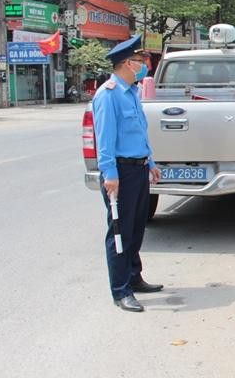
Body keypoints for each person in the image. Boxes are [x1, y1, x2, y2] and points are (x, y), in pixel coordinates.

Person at [92, 35, 163, 313]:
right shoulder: (108, 95)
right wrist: (110, 174)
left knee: (136, 228)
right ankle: (121, 290)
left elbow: (139, 133)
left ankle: (134, 277)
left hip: (139, 168)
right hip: (120, 172)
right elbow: (105, 139)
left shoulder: (132, 92)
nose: (144, 65)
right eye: (139, 60)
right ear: (125, 63)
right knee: (120, 232)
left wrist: (151, 161)